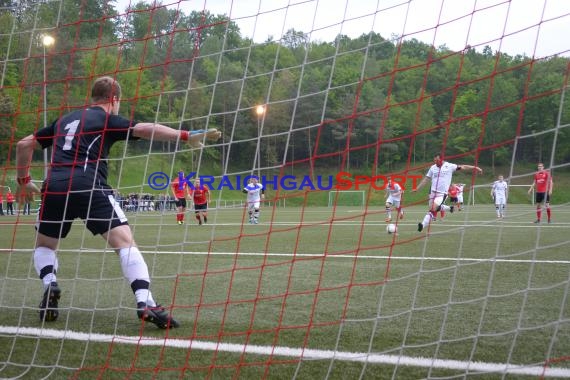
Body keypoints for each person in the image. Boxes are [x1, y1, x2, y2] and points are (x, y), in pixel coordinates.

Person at [15, 76, 221, 328]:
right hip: (88, 184)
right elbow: (145, 129)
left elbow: (24, 144)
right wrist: (185, 135)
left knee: (45, 245)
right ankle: (145, 301)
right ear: (114, 99)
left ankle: (50, 284)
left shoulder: (64, 120)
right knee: (124, 242)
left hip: (54, 187)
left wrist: (23, 180)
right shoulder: (106, 119)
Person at [413, 153, 482, 232]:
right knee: (434, 208)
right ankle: (449, 208)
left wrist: (475, 167)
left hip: (442, 194)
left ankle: (422, 225)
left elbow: (463, 167)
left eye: (437, 160)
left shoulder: (449, 166)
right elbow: (426, 179)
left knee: (433, 209)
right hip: (432, 192)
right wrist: (417, 188)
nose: (435, 162)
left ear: (442, 159)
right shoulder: (432, 168)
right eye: (434, 160)